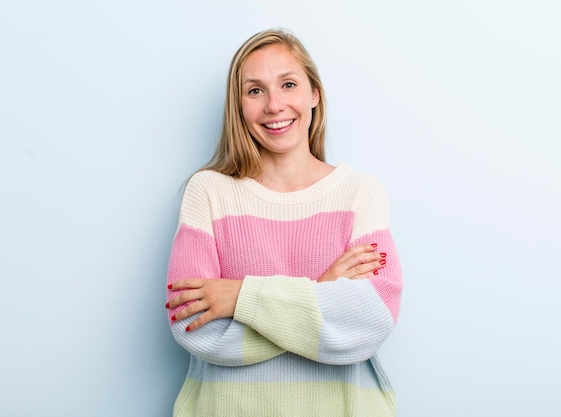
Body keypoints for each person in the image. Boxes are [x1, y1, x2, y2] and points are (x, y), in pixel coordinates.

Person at [165, 28, 402, 417]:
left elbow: (369, 323)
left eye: (288, 84)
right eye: (255, 90)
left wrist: (240, 297)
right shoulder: (207, 191)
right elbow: (195, 327)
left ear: (314, 95)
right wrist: (321, 290)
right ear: (238, 105)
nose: (274, 105)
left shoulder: (360, 192)